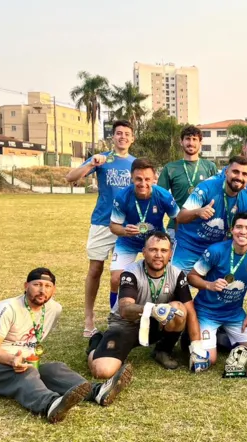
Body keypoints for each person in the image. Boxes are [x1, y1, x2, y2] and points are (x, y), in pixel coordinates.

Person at [0, 268, 133, 423]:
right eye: (37, 285)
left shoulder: (54, 309)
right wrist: (12, 359)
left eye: (48, 286)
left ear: (54, 290)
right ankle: (50, 405)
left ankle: (97, 391)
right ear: (26, 286)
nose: (42, 290)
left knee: (55, 369)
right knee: (26, 374)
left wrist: (25, 360)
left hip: (24, 363)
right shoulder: (8, 308)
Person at [63, 120, 136, 337]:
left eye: (127, 134)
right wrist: (92, 165)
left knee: (121, 276)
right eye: (119, 133)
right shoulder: (102, 159)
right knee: (95, 270)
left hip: (126, 225)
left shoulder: (135, 163)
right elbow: (70, 178)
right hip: (103, 222)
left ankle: (118, 316)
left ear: (132, 138)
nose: (123, 137)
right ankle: (89, 318)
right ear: (113, 137)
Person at [87, 232, 194, 372]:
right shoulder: (130, 273)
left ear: (170, 254)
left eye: (163, 250)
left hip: (155, 325)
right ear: (144, 252)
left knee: (178, 309)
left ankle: (163, 350)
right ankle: (96, 344)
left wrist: (196, 345)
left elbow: (190, 310)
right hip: (127, 325)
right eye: (153, 250)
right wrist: (152, 310)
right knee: (103, 371)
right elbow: (125, 309)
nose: (158, 255)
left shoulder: (176, 274)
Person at [187, 213, 247, 366]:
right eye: (239, 227)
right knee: (208, 360)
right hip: (207, 312)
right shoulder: (216, 251)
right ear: (232, 230)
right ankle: (191, 335)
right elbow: (191, 277)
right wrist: (209, 285)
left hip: (234, 313)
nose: (243, 232)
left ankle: (220, 338)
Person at [108, 159, 181, 307]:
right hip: (128, 241)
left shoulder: (164, 196)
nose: (143, 183)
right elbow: (113, 226)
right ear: (132, 178)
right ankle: (116, 316)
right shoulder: (122, 197)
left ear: (154, 178)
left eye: (147, 179)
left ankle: (166, 313)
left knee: (166, 278)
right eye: (138, 179)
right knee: (116, 279)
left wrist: (174, 241)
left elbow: (178, 218)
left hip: (156, 243)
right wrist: (124, 231)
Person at [173, 156, 247, 272]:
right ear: (226, 172)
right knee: (177, 286)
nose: (239, 177)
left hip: (213, 252)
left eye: (244, 174)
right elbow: (180, 217)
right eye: (235, 172)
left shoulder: (245, 203)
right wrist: (198, 212)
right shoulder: (206, 187)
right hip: (188, 247)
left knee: (214, 288)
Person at [158, 125, 220, 240]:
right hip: (176, 225)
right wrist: (173, 215)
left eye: (194, 139)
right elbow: (159, 197)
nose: (191, 143)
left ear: (200, 143)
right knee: (174, 258)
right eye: (187, 139)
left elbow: (217, 195)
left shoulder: (210, 167)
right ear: (181, 142)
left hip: (204, 226)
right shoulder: (170, 168)